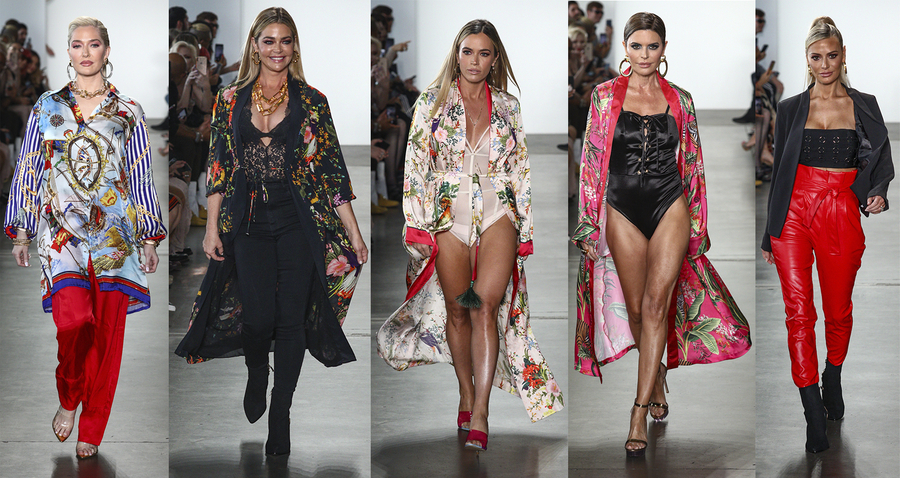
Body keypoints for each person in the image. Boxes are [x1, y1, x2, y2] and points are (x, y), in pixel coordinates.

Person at [174, 7, 367, 457]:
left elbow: (331, 171)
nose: (277, 49)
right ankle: (258, 370)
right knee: (258, 319)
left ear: (294, 46)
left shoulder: (312, 100)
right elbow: (219, 166)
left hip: (299, 220)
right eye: (269, 41)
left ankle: (281, 413)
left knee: (291, 319)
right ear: (255, 46)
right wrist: (211, 228)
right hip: (248, 221)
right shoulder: (229, 99)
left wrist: (355, 234)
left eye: (285, 40)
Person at [376, 19, 563, 453]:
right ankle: (465, 390)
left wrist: (526, 227)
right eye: (467, 52)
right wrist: (416, 223)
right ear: (456, 54)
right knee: (459, 310)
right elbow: (415, 165)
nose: (474, 61)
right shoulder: (432, 102)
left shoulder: (509, 106)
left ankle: (481, 411)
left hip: (498, 209)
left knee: (486, 307)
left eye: (483, 53)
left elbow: (520, 167)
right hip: (447, 212)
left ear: (495, 59)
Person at [573, 12, 751, 457]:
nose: (644, 54)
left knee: (656, 305)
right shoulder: (603, 96)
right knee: (636, 309)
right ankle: (656, 378)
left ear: (664, 49)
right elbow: (591, 160)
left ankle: (637, 411)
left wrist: (699, 224)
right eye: (636, 46)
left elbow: (693, 163)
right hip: (620, 206)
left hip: (669, 202)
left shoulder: (681, 100)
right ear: (625, 48)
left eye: (652, 46)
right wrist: (588, 221)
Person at [4, 16, 166, 459]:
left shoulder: (127, 111)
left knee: (108, 336)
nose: (85, 52)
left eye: (93, 44)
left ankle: (92, 425)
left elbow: (139, 174)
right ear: (69, 52)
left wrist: (150, 236)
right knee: (73, 322)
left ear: (106, 51)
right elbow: (29, 167)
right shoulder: (47, 107)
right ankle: (69, 393)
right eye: (77, 45)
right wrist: (21, 230)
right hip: (62, 235)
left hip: (115, 236)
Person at [760, 16, 893, 454]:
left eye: (831, 55)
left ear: (843, 56)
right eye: (816, 57)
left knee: (838, 311)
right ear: (807, 59)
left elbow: (880, 160)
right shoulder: (791, 108)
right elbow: (781, 172)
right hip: (793, 213)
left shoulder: (864, 105)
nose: (824, 64)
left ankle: (832, 375)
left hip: (840, 210)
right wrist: (769, 233)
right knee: (799, 314)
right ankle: (812, 412)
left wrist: (876, 192)